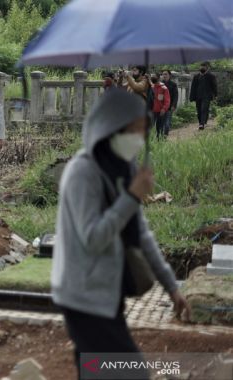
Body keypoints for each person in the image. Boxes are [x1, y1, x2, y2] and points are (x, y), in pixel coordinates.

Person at [52, 90, 190, 378]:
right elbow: (93, 237)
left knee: (95, 369)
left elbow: (141, 232)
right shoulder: (82, 172)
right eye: (135, 130)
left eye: (143, 130)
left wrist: (172, 286)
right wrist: (131, 197)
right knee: (130, 371)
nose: (140, 138)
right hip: (83, 295)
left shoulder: (124, 169)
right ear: (112, 128)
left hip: (108, 290)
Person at [189, 61, 217, 130]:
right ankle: (201, 122)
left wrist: (215, 95)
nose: (202, 68)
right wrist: (191, 97)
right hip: (198, 96)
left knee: (204, 109)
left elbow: (214, 86)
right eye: (201, 67)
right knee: (199, 110)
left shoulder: (211, 76)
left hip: (207, 96)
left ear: (207, 68)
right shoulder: (196, 76)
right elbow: (193, 87)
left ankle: (202, 124)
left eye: (204, 67)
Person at [150, 73, 171, 140]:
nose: (152, 78)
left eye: (154, 76)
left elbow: (167, 100)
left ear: (158, 78)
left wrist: (164, 109)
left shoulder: (164, 88)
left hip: (160, 111)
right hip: (152, 111)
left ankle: (159, 140)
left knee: (159, 127)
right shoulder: (151, 87)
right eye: (152, 76)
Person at [161, 70, 178, 137]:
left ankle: (165, 135)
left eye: (166, 74)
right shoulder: (160, 84)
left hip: (169, 106)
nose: (164, 76)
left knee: (167, 122)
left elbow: (175, 96)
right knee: (161, 122)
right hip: (161, 107)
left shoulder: (173, 84)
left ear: (169, 75)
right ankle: (161, 135)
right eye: (163, 74)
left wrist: (174, 105)